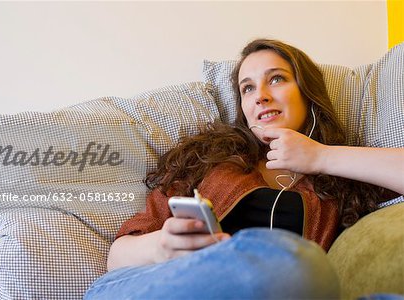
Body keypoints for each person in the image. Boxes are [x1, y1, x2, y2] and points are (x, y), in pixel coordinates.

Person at [84, 39, 404, 299]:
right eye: (247, 88)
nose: (260, 96)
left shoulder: (340, 176)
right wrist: (162, 247)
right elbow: (117, 259)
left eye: (276, 79)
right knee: (297, 264)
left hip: (278, 287)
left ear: (307, 93)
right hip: (160, 282)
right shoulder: (210, 158)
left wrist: (320, 157)